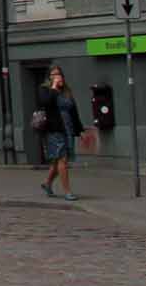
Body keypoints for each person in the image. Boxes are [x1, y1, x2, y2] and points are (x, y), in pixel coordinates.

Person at [36, 65, 85, 199]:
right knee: (62, 160)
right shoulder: (45, 90)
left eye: (59, 74)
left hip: (68, 129)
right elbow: (45, 102)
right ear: (49, 77)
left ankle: (47, 184)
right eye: (54, 74)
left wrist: (80, 131)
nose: (57, 77)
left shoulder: (67, 91)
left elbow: (74, 112)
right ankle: (68, 192)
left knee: (58, 161)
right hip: (54, 129)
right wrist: (53, 88)